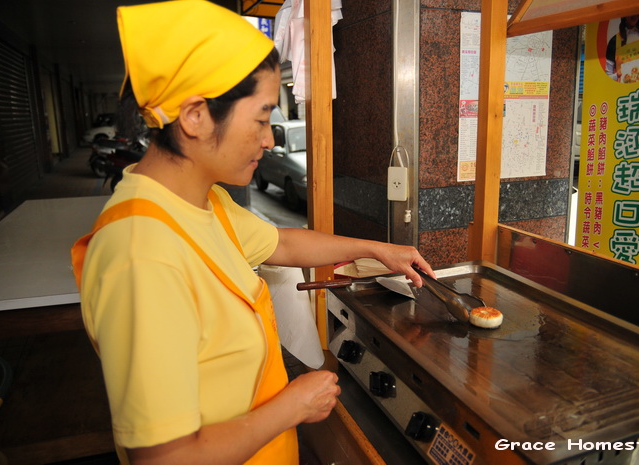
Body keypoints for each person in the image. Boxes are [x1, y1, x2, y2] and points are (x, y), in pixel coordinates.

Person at [70, 1, 435, 464]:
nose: (270, 139)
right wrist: (292, 406)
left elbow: (282, 242)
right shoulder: (141, 252)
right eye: (262, 118)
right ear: (196, 116)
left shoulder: (201, 203)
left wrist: (379, 249)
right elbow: (164, 458)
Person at [605, 14, 639, 82]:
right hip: (625, 89)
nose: (635, 15)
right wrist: (617, 75)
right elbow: (608, 74)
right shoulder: (614, 41)